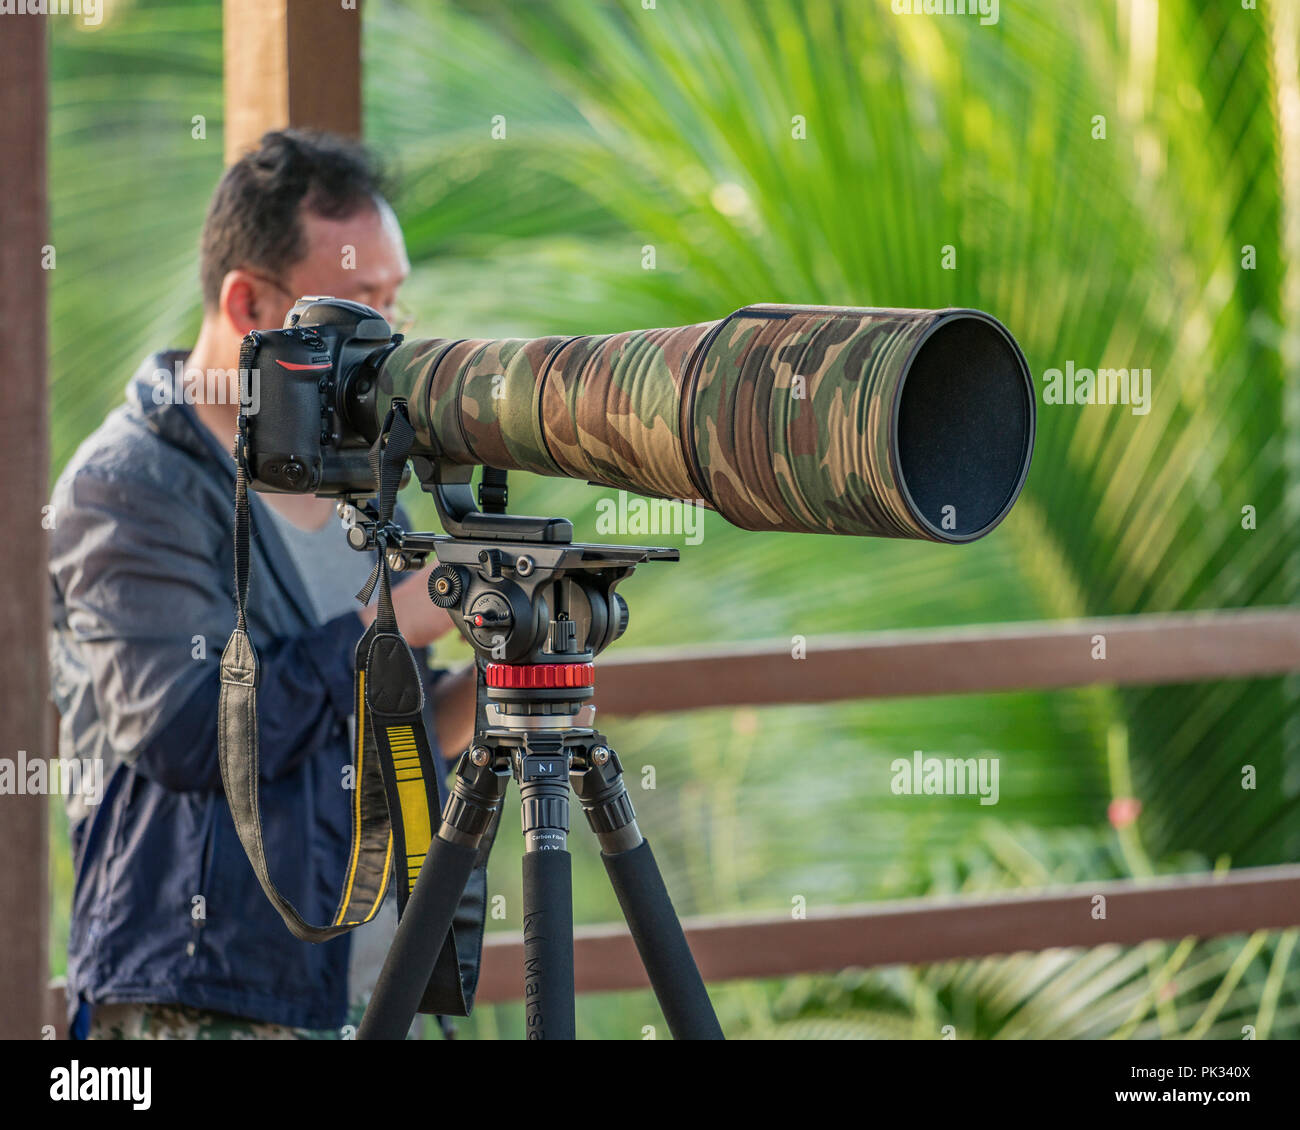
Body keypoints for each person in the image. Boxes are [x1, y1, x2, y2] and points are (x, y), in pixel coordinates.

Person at [48, 129, 475, 1039]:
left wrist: (504, 676)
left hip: (365, 992)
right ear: (249, 304)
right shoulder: (129, 486)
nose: (388, 341)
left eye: (395, 304)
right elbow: (190, 736)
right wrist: (390, 622)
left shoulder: (357, 478)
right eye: (360, 306)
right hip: (203, 1002)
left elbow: (375, 738)